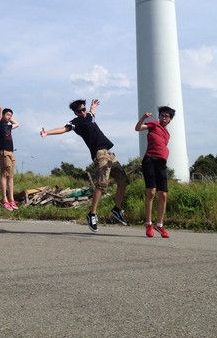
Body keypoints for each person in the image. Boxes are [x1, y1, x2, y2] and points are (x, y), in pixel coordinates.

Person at [40, 99, 129, 233]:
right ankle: (92, 214)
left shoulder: (90, 115)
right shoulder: (76, 122)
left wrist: (93, 106)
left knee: (123, 181)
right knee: (102, 184)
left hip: (109, 153)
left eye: (84, 109)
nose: (83, 112)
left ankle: (116, 209)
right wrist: (47, 132)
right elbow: (63, 129)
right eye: (79, 111)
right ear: (75, 113)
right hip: (99, 154)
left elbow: (92, 112)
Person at [135, 106, 176, 238]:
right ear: (158, 116)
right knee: (151, 192)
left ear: (170, 119)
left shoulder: (167, 134)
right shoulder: (153, 124)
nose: (163, 118)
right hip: (149, 160)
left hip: (161, 163)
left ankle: (160, 225)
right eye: (162, 115)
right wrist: (143, 118)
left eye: (166, 116)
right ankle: (148, 224)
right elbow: (137, 128)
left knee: (163, 194)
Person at [0, 106, 19, 211]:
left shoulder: (8, 127)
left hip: (11, 152)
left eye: (11, 115)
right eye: (8, 115)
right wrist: (1, 111)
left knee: (10, 176)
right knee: (4, 175)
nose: (9, 117)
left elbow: (17, 124)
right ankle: (4, 199)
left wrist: (10, 118)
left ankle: (11, 199)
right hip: (3, 151)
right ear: (3, 115)